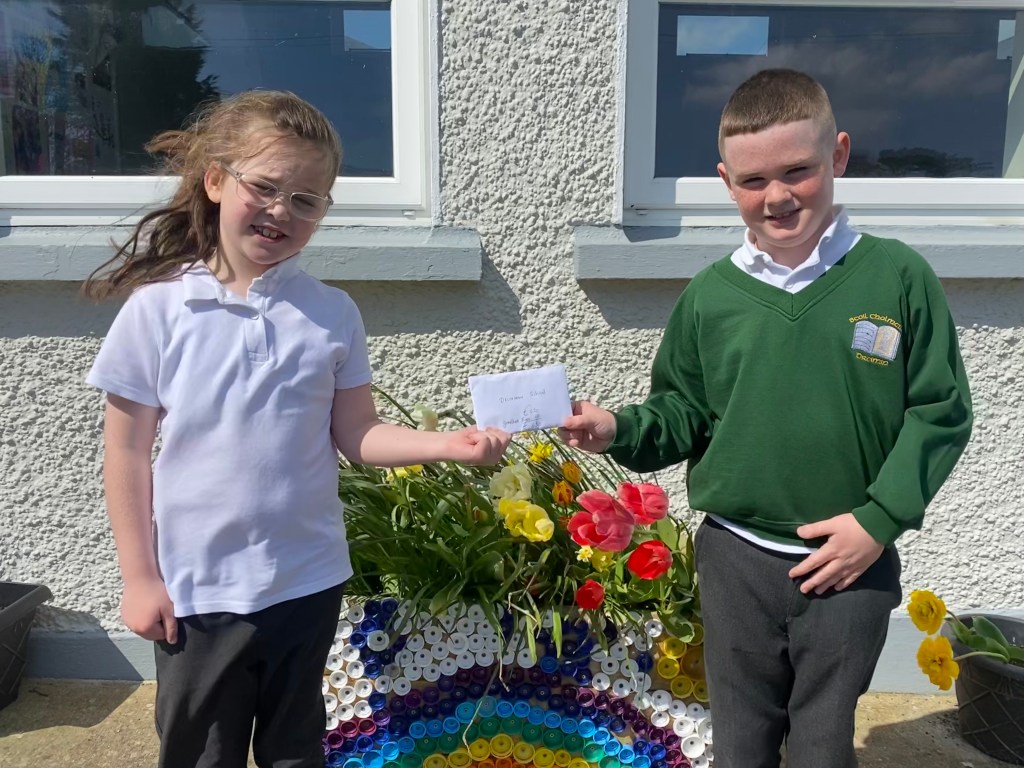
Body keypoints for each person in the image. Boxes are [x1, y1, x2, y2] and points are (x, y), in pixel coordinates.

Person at [83, 90, 511, 768]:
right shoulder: (158, 309)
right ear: (216, 181)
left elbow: (358, 434)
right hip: (198, 591)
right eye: (265, 186)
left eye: (306, 199)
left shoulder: (331, 313)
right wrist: (140, 578)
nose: (282, 210)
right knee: (202, 755)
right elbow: (126, 452)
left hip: (308, 581)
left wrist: (445, 446)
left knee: (296, 751)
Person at [560, 69, 972, 768]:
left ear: (838, 155)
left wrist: (877, 522)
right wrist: (619, 430)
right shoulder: (710, 297)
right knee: (742, 740)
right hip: (736, 558)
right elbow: (683, 410)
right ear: (727, 182)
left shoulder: (899, 278)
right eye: (753, 180)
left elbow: (941, 412)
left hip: (850, 564)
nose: (777, 196)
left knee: (821, 746)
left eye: (797, 171)